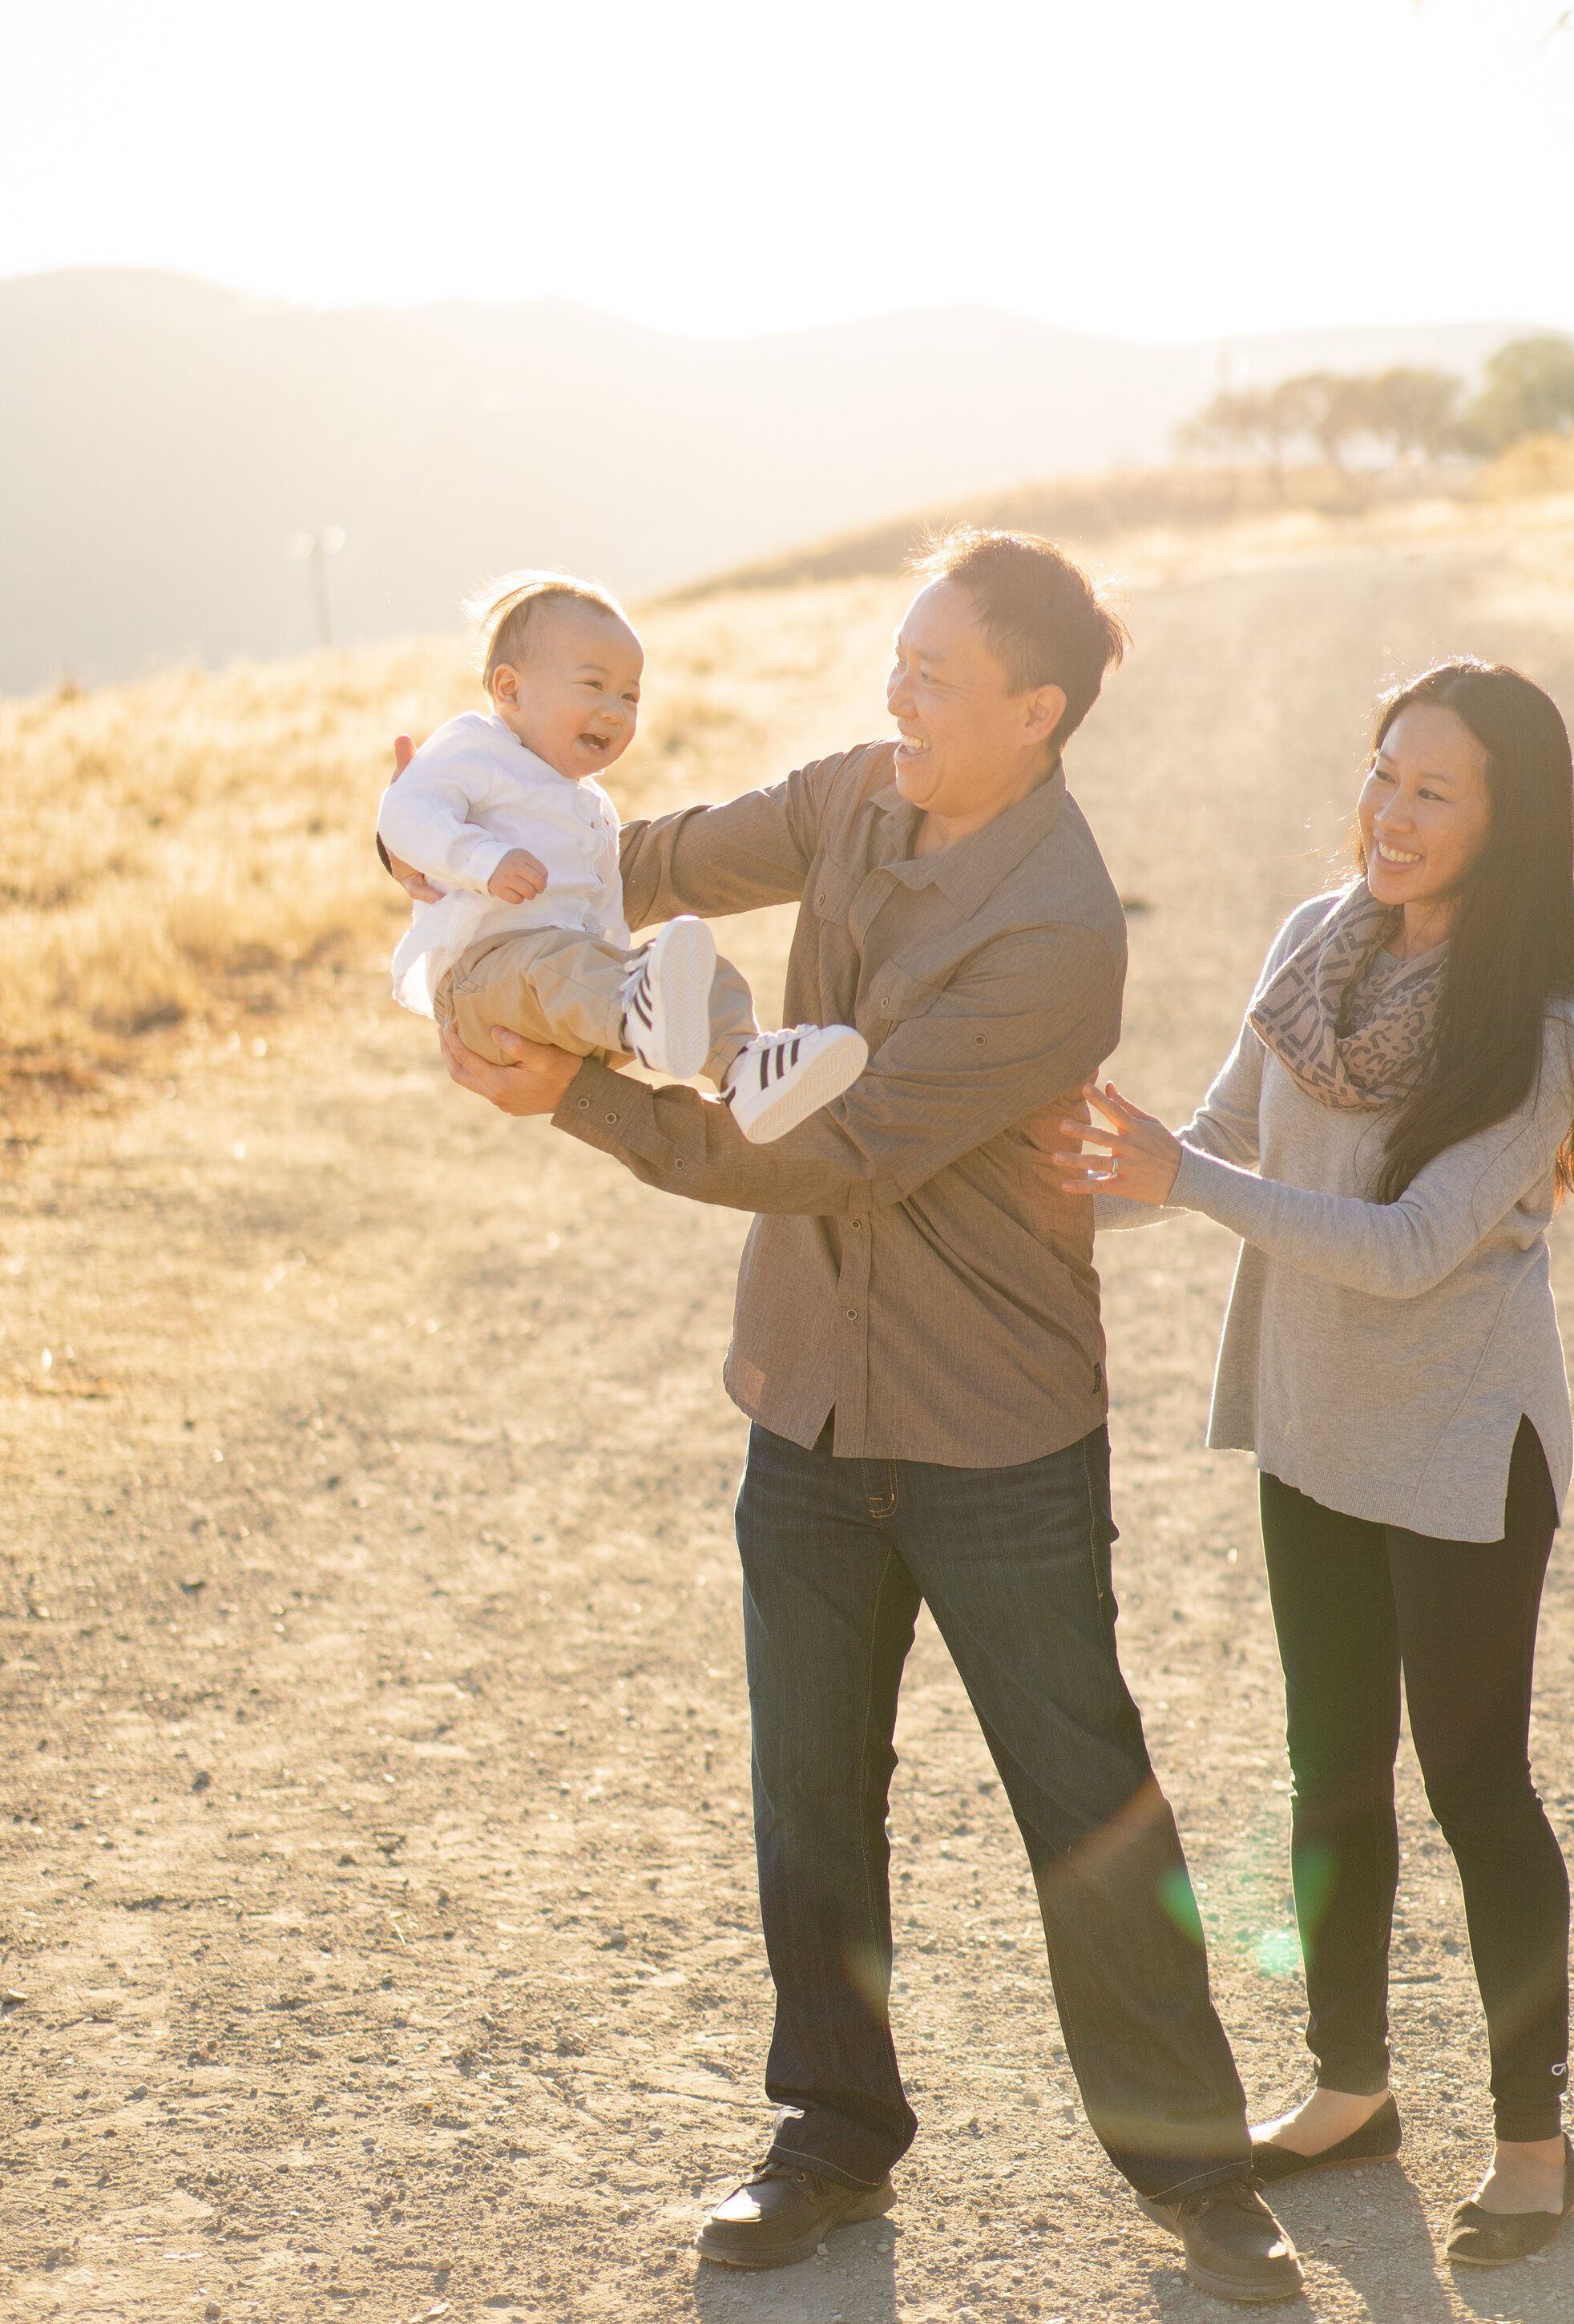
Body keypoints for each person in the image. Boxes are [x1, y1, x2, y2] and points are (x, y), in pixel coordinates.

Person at [411, 531, 1305, 2308]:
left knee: (1083, 1802)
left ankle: (1198, 2178)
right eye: (894, 661)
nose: (893, 696)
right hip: (806, 1401)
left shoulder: (1057, 930)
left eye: (933, 678)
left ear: (1036, 713)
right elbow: (635, 854)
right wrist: (449, 819)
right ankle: (827, 2137)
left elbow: (825, 1149)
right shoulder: (845, 798)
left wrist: (565, 1105)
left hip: (995, 1432)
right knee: (809, 1796)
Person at [1055, 659, 1574, 2269]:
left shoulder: (1537, 1021)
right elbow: (1219, 1139)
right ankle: (1346, 2091)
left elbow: (1408, 1248)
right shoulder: (1317, 940)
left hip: (1455, 1450)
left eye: (1431, 789)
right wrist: (1057, 1199)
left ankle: (1532, 2146)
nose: (1387, 810)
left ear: (1506, 825)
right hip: (1311, 1425)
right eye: (1381, 773)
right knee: (1329, 1776)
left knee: (1471, 1786)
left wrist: (1180, 1180)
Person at [378, 572, 864, 1140]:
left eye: (630, 696)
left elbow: (602, 910)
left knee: (692, 966)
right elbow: (404, 815)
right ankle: (642, 1008)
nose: (615, 710)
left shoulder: (591, 805)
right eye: (593, 685)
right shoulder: (476, 747)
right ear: (510, 690)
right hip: (486, 985)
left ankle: (745, 1065)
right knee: (559, 964)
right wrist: (482, 860)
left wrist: (627, 966)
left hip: (584, 1004)